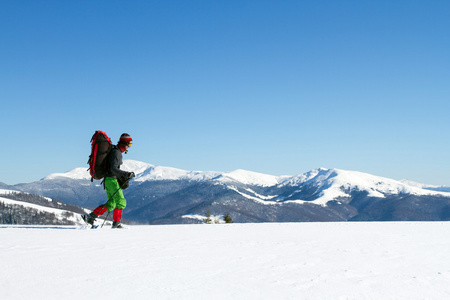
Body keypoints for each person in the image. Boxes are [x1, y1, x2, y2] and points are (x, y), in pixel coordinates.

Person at [83, 133, 135, 228]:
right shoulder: (117, 153)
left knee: (111, 204)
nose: (129, 147)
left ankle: (90, 217)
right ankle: (116, 224)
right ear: (124, 143)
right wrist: (126, 174)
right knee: (121, 201)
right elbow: (113, 169)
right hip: (112, 180)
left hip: (108, 180)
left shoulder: (115, 151)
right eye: (129, 144)